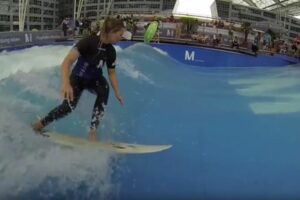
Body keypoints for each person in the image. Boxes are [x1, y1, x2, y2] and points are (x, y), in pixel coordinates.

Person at [32, 18, 130, 141]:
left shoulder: (111, 51)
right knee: (68, 108)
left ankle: (93, 131)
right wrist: (66, 83)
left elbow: (111, 72)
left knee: (104, 89)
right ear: (111, 31)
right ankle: (39, 124)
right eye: (119, 34)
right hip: (77, 79)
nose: (120, 38)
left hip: (94, 80)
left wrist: (117, 92)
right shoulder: (88, 42)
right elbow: (67, 62)